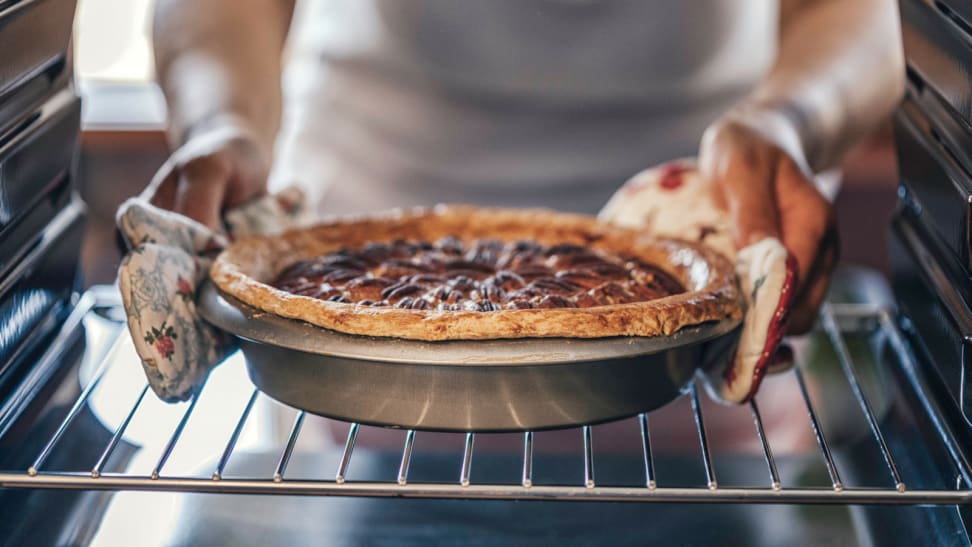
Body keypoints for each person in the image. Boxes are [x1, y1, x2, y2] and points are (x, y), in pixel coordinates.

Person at [147, 0, 903, 334]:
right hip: (361, 221)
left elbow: (855, 10)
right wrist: (224, 122)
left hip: (702, 226)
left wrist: (786, 121)